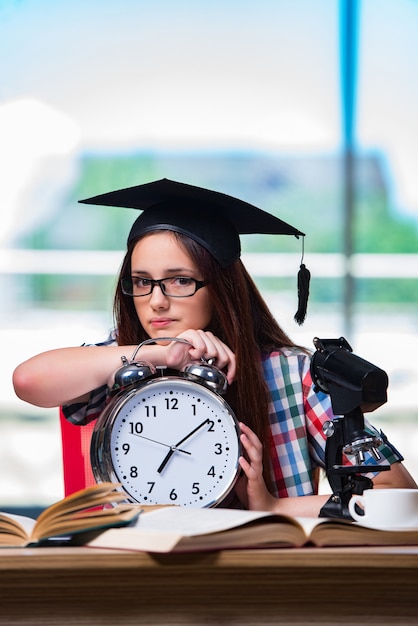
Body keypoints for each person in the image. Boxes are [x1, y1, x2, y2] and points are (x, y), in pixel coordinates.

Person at [13, 178, 417, 516]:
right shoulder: (121, 361)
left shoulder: (294, 376)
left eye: (179, 280)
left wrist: (273, 507)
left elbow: (397, 494)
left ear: (220, 287)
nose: (156, 300)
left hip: (264, 581)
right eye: (141, 281)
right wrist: (159, 352)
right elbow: (29, 380)